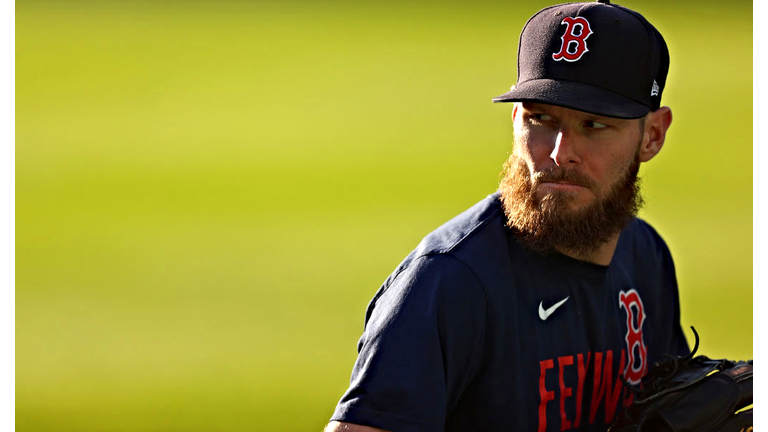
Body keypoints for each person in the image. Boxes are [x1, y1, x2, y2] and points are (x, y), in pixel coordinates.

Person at [326, 1, 689, 431]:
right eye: (541, 118)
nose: (558, 153)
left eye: (594, 125)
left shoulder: (645, 258)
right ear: (516, 118)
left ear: (652, 135)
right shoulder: (448, 284)